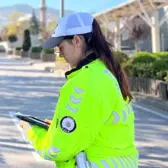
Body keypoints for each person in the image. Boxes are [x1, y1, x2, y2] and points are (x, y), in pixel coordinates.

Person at [20, 12, 139, 168]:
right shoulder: (105, 72)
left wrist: (31, 131)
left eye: (60, 47)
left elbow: (57, 149)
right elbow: (95, 128)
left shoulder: (84, 83)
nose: (60, 54)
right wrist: (58, 129)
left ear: (77, 40)